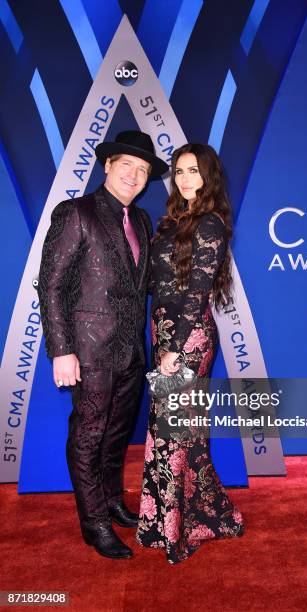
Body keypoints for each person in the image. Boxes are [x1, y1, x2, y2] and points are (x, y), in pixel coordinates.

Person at [38, 131, 169, 559]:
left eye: (143, 170)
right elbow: (53, 286)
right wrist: (61, 349)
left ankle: (112, 499)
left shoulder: (143, 221)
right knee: (88, 435)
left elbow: (141, 286)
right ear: (107, 164)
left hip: (130, 351)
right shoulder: (76, 213)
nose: (134, 175)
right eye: (127, 165)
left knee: (116, 433)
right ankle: (93, 522)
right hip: (89, 352)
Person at [136, 143, 244, 564]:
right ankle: (198, 516)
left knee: (176, 433)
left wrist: (177, 351)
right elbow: (156, 286)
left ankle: (177, 530)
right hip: (164, 333)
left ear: (209, 177)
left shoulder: (210, 225)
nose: (184, 179)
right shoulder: (170, 222)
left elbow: (198, 294)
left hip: (189, 338)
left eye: (193, 171)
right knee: (178, 433)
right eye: (179, 171)